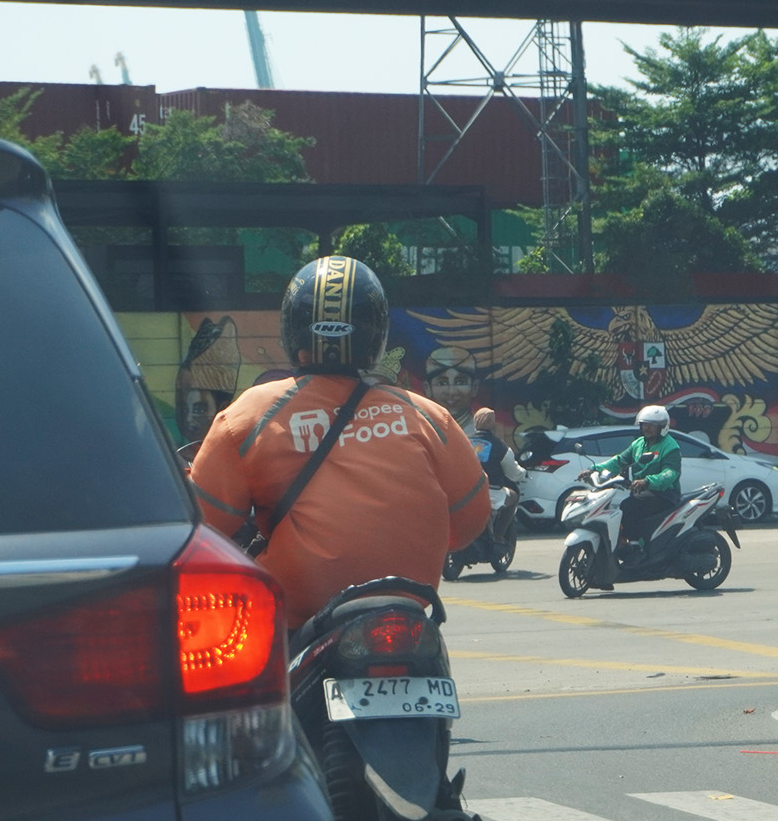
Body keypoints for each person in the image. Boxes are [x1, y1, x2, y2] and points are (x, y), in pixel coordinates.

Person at [190, 255, 491, 631]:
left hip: (297, 624)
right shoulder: (429, 416)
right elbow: (469, 523)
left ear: (292, 329)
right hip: (409, 617)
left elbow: (202, 529)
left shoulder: (247, 417)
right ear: (377, 334)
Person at [577, 405, 682, 547]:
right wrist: (593, 469)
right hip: (642, 491)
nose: (647, 428)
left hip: (665, 494)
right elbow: (619, 461)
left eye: (652, 425)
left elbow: (670, 474)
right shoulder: (638, 444)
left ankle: (634, 544)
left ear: (662, 427)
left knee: (628, 506)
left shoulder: (670, 446)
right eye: (645, 424)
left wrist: (646, 481)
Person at [470, 407, 527, 543]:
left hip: (465, 492)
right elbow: (513, 473)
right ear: (493, 423)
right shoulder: (500, 446)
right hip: (491, 491)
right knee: (513, 497)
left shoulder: (464, 441)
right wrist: (522, 473)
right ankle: (498, 536)